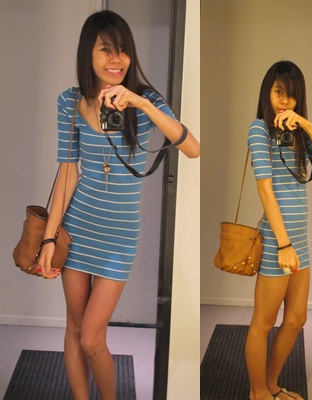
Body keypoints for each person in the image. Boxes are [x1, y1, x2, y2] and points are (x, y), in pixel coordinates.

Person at [37, 10, 199, 400]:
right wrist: (48, 238)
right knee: (75, 328)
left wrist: (141, 104)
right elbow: (67, 173)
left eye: (123, 50)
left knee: (92, 338)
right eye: (106, 49)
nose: (116, 59)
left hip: (119, 238)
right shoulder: (70, 101)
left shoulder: (146, 101)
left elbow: (192, 148)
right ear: (88, 54)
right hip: (77, 229)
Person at [245, 61, 312, 400]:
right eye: (278, 92)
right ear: (267, 92)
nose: (284, 101)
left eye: (292, 95)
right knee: (264, 321)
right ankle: (258, 392)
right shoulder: (259, 129)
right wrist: (283, 244)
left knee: (297, 319)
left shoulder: (299, 132)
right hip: (278, 240)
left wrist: (307, 125)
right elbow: (265, 189)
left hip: (299, 239)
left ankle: (271, 386)